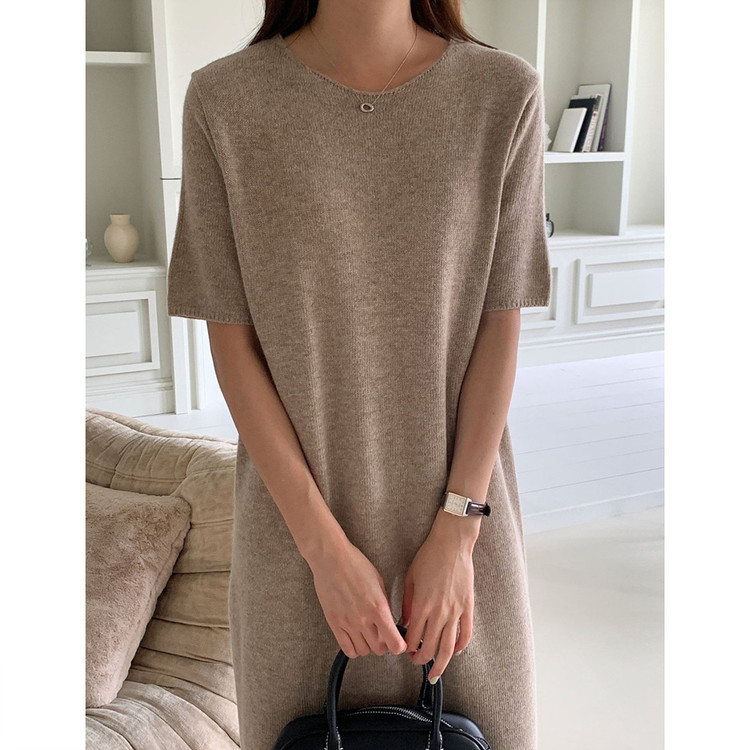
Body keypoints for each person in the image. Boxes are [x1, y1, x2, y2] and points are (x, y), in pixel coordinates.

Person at [167, 1, 551, 748]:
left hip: (463, 527)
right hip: (297, 544)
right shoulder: (225, 100)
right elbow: (233, 345)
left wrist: (457, 534)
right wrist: (322, 551)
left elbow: (497, 328)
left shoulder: (504, 93)